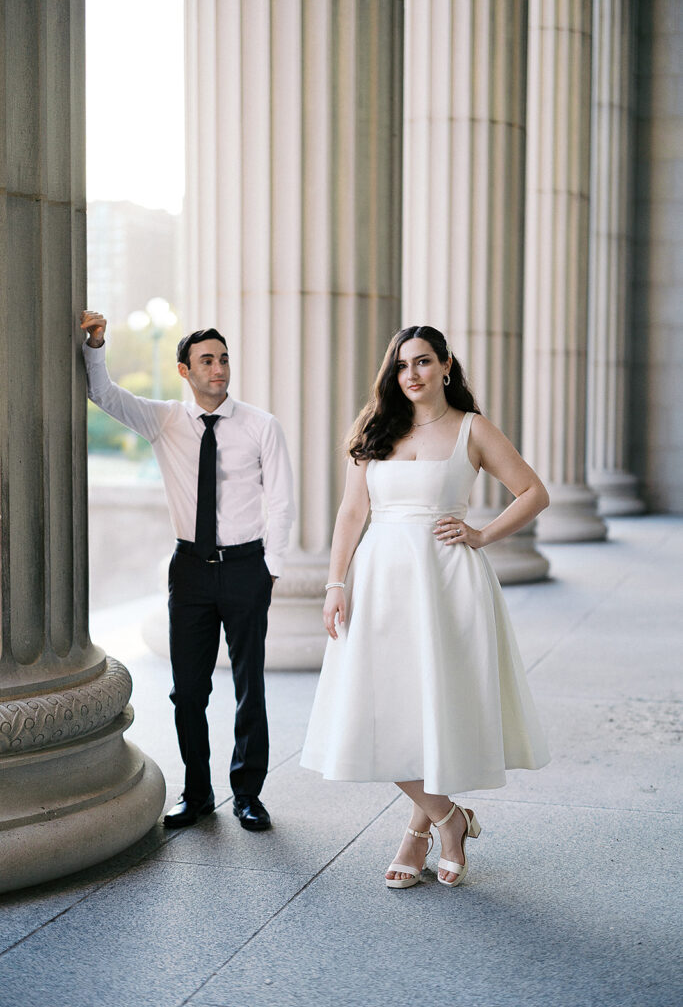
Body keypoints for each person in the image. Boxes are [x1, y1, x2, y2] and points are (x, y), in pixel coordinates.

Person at [301, 325, 550, 888]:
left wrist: (482, 535)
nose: (410, 375)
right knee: (378, 709)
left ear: (445, 365)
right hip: (380, 579)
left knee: (430, 705)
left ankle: (418, 833)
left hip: (446, 581)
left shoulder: (472, 429)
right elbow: (349, 512)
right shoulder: (375, 428)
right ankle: (447, 819)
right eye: (401, 366)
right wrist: (334, 585)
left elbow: (534, 492)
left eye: (422, 362)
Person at [80, 311, 295, 832]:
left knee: (250, 686)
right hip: (191, 571)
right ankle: (197, 792)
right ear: (184, 370)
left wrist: (271, 571)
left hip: (246, 567)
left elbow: (283, 502)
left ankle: (248, 795)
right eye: (206, 360)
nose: (218, 368)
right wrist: (96, 344)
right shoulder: (164, 419)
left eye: (223, 359)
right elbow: (105, 394)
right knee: (188, 690)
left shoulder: (262, 425)